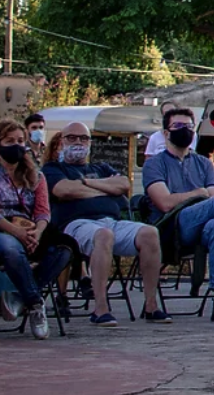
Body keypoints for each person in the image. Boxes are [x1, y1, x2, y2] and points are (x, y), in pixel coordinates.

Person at [45, 120, 168, 324]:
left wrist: (86, 183)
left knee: (149, 233)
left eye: (84, 138)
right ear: (61, 141)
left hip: (111, 221)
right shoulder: (53, 169)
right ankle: (100, 308)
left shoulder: (100, 167)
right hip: (76, 225)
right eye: (72, 138)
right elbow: (63, 190)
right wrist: (104, 189)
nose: (78, 142)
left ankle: (151, 306)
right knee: (103, 235)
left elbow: (123, 184)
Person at [143, 104, 214, 323]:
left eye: (188, 126)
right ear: (166, 133)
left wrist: (200, 197)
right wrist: (198, 193)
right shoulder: (154, 164)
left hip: (201, 228)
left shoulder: (203, 163)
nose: (183, 130)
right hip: (170, 228)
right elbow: (165, 203)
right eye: (177, 126)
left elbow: (213, 198)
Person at [0, 119, 66, 337]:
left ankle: (19, 297)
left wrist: (37, 232)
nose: (16, 145)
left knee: (64, 248)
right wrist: (18, 234)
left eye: (20, 141)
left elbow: (43, 212)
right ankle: (35, 304)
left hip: (31, 231)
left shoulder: (37, 176)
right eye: (9, 141)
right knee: (10, 247)